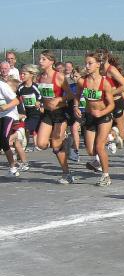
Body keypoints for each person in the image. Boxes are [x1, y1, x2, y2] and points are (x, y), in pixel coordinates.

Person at [74, 52, 116, 186]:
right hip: (89, 116)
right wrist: (76, 106)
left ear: (98, 65)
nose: (87, 66)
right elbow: (77, 95)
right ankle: (111, 137)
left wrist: (101, 112)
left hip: (104, 116)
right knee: (91, 151)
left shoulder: (105, 83)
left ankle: (106, 176)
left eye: (90, 63)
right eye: (86, 63)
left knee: (99, 146)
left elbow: (112, 105)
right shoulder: (82, 81)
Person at [35, 50, 75, 183]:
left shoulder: (59, 76)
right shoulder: (40, 77)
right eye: (40, 59)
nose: (40, 61)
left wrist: (59, 99)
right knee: (41, 144)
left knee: (56, 146)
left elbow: (71, 95)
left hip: (60, 113)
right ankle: (64, 142)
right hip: (47, 113)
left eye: (43, 59)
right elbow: (43, 95)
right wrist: (40, 102)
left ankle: (66, 173)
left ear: (51, 61)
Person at [1, 72, 22, 176]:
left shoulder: (2, 86)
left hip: (8, 115)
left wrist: (5, 107)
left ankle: (13, 167)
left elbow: (16, 101)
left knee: (4, 138)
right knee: (3, 141)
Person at [16, 65, 41, 151]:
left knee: (28, 128)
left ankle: (36, 144)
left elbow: (41, 96)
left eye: (24, 74)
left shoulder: (35, 86)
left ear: (31, 75)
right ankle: (25, 146)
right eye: (21, 74)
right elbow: (17, 99)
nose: (22, 76)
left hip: (36, 113)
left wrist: (39, 101)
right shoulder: (20, 87)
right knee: (25, 129)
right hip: (26, 112)